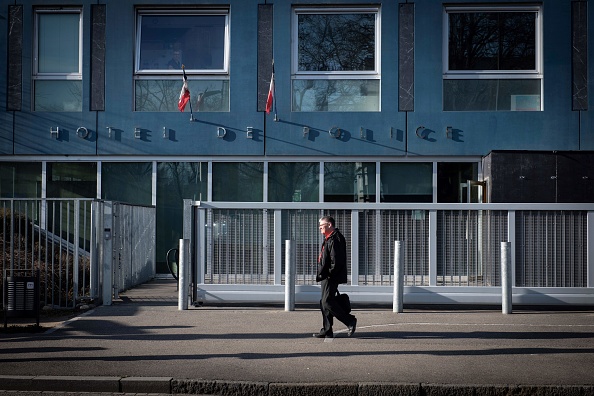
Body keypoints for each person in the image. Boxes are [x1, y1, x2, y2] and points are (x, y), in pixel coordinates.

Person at [313, 216, 357, 338]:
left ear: (329, 225)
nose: (320, 228)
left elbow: (336, 261)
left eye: (322, 225)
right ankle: (327, 329)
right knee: (324, 302)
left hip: (330, 276)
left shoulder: (335, 238)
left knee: (327, 301)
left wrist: (329, 274)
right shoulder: (329, 238)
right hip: (326, 275)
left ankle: (349, 320)